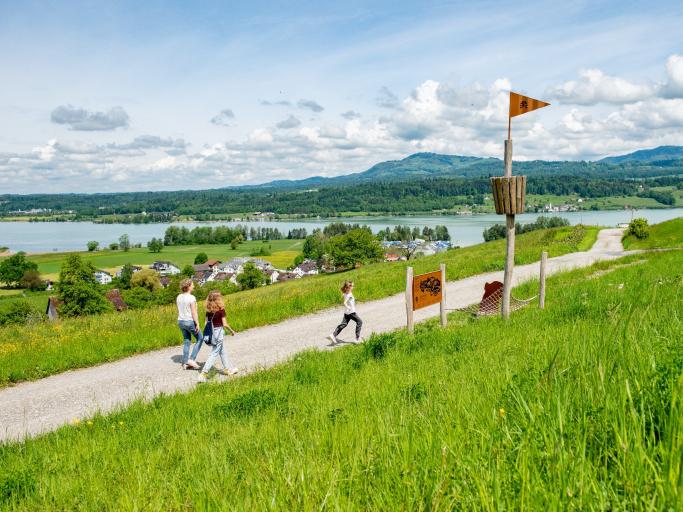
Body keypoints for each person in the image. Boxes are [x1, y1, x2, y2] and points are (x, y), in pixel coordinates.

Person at [198, 290, 238, 382]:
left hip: (211, 334)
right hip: (219, 333)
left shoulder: (208, 311)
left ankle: (228, 370)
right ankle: (203, 373)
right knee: (214, 353)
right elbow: (225, 324)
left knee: (222, 351)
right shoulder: (221, 310)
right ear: (218, 299)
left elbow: (205, 324)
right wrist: (232, 331)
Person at [176, 278, 202, 370]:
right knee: (200, 338)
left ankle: (185, 363)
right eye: (192, 285)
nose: (194, 286)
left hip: (180, 321)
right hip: (189, 321)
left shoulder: (179, 297)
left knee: (187, 341)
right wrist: (197, 323)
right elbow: (194, 312)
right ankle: (191, 359)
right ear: (188, 286)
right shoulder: (192, 298)